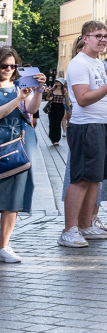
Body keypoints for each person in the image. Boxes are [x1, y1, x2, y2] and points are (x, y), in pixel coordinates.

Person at [61, 21, 107, 249]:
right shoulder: (79, 64)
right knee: (81, 179)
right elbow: (82, 98)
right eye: (97, 35)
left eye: (105, 35)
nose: (102, 39)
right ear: (84, 38)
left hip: (103, 124)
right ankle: (69, 230)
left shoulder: (98, 63)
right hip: (86, 126)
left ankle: (86, 224)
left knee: (94, 180)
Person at [0, 49, 44, 263]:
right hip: (2, 141)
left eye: (13, 66)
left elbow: (31, 110)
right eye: (4, 66)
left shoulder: (20, 86)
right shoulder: (17, 91)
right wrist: (19, 97)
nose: (9, 70)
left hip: (18, 145)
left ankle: (4, 245)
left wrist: (39, 91)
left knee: (13, 196)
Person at [43, 78, 67, 146]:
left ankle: (56, 139)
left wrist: (69, 110)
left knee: (58, 123)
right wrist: (49, 98)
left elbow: (67, 102)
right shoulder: (51, 90)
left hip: (60, 108)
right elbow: (46, 98)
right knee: (52, 123)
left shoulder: (64, 91)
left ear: (61, 83)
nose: (56, 82)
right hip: (52, 107)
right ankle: (52, 138)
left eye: (58, 81)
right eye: (56, 81)